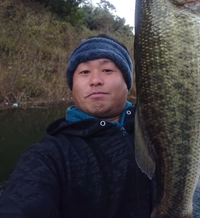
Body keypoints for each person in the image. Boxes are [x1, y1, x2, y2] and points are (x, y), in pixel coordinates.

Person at [0, 34, 155, 218]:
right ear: (72, 86)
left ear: (127, 82)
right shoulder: (50, 155)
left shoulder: (159, 131)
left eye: (107, 70)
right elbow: (21, 202)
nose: (95, 80)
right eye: (84, 72)